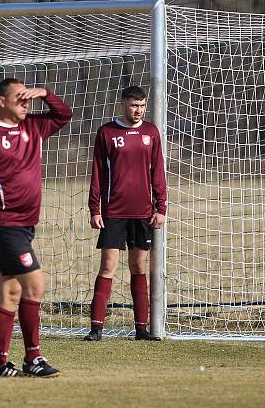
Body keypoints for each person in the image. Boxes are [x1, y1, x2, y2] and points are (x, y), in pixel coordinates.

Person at [0, 78, 72, 378]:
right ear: (1, 101)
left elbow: (64, 115)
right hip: (3, 223)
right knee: (36, 283)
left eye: (28, 98)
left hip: (24, 225)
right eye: (19, 98)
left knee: (11, 292)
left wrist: (46, 93)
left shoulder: (33, 126)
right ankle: (33, 358)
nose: (26, 103)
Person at [84, 86, 167, 342]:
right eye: (133, 105)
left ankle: (141, 329)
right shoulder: (107, 132)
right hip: (114, 211)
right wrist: (95, 208)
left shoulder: (151, 132)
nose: (138, 110)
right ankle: (96, 328)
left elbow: (158, 171)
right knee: (108, 266)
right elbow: (97, 171)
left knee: (138, 267)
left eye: (142, 106)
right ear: (123, 105)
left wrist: (161, 207)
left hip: (143, 213)